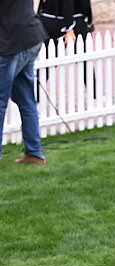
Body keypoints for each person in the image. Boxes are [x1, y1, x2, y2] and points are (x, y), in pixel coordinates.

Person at [0, 0, 47, 165]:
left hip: (10, 43)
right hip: (31, 36)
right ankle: (34, 153)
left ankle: (34, 152)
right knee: (26, 98)